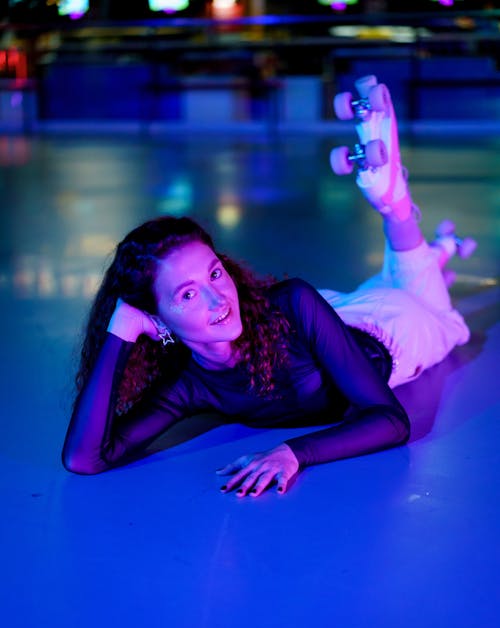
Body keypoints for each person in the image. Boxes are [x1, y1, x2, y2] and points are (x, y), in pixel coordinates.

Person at [62, 75, 471, 497]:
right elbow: (85, 458)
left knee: (444, 317)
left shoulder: (292, 300)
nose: (217, 297)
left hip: (394, 331)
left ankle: (396, 205)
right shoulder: (187, 386)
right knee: (405, 278)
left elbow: (389, 420)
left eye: (215, 273)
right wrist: (120, 330)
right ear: (156, 318)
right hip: (336, 317)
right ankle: (432, 248)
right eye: (186, 294)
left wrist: (294, 453)